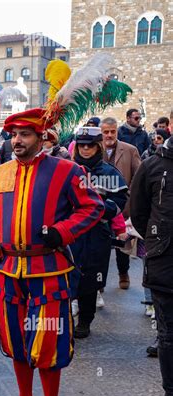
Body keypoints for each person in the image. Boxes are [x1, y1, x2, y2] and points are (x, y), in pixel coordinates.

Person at [0, 109, 104, 396]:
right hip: (8, 274)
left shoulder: (69, 171)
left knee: (47, 343)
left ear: (41, 137)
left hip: (49, 274)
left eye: (25, 135)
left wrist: (63, 232)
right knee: (16, 340)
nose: (17, 141)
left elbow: (94, 207)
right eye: (13, 135)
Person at [130, 127, 173, 396]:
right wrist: (160, 242)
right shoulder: (153, 165)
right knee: (169, 336)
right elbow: (139, 212)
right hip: (166, 265)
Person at [71, 127, 128, 338]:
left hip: (96, 233)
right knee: (67, 273)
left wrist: (99, 206)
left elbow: (120, 201)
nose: (86, 149)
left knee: (91, 278)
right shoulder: (66, 169)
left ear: (98, 147)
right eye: (82, 145)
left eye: (90, 145)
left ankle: (85, 320)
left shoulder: (110, 172)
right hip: (70, 232)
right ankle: (64, 316)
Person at [101, 117, 141, 290]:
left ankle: (123, 273)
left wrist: (129, 194)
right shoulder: (93, 149)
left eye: (113, 131)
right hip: (100, 205)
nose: (109, 135)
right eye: (106, 132)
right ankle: (98, 281)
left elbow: (138, 176)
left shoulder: (130, 150)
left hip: (122, 204)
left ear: (117, 131)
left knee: (122, 242)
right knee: (100, 244)